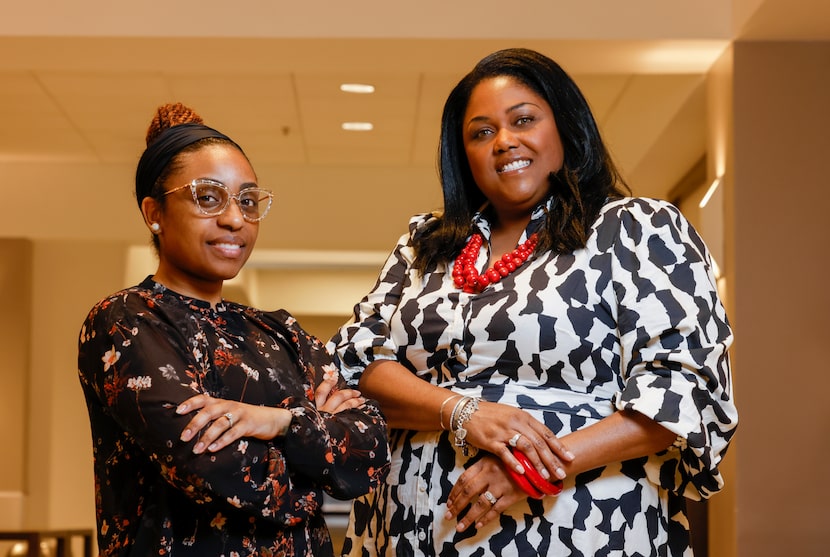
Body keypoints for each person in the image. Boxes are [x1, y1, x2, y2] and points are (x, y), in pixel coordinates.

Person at [328, 48, 737, 556]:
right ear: (463, 154)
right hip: (408, 527)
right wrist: (463, 410)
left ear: (564, 127)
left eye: (523, 120)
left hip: (578, 525)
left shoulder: (636, 229)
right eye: (481, 132)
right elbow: (355, 365)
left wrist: (534, 467)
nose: (504, 142)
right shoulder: (424, 243)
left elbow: (679, 393)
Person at [77, 102, 390, 557]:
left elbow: (371, 450)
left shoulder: (278, 330)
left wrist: (279, 421)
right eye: (208, 197)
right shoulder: (127, 320)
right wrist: (320, 457)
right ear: (154, 212)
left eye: (247, 200)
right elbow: (216, 472)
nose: (235, 219)